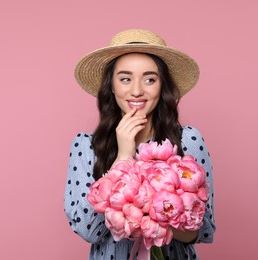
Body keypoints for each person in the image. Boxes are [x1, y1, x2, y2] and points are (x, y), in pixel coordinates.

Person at [64, 29, 215, 259]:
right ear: (112, 86)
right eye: (125, 79)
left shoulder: (188, 140)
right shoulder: (86, 147)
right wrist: (123, 157)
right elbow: (88, 229)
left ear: (162, 85)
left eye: (149, 79)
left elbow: (203, 228)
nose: (136, 90)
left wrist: (159, 215)